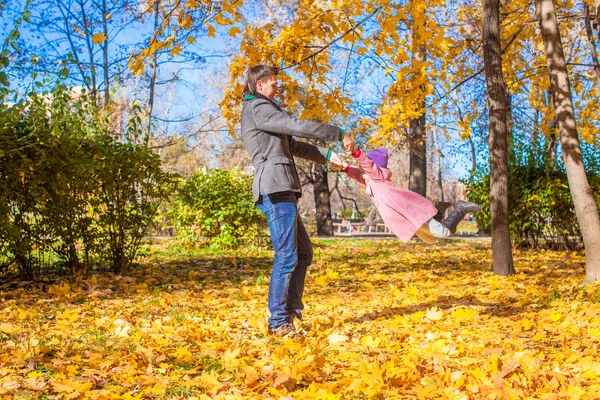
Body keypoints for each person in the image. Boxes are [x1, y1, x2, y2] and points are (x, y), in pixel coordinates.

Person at [240, 65, 353, 339]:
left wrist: (326, 154)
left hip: (284, 188)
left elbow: (294, 146)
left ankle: (290, 315)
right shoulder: (258, 108)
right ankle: (278, 322)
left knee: (303, 254)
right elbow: (295, 126)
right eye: (273, 84)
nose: (277, 88)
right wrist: (337, 133)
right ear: (259, 86)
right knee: (287, 255)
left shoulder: (266, 111)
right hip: (275, 188)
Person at [339, 143, 480, 244]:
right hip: (406, 216)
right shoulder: (371, 181)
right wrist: (344, 167)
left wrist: (355, 151)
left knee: (443, 232)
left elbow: (365, 164)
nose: (361, 169)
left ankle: (461, 208)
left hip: (411, 213)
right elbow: (358, 174)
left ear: (374, 167)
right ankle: (439, 211)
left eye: (364, 167)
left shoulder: (377, 176)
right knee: (430, 239)